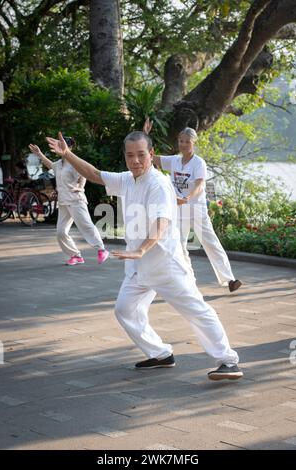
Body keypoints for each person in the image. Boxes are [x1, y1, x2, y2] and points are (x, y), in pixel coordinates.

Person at [45, 131, 243, 381]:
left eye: (141, 155)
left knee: (196, 310)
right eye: (130, 155)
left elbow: (161, 221)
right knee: (125, 310)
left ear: (151, 154)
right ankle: (160, 354)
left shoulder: (158, 184)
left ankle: (228, 361)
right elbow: (94, 175)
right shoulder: (127, 179)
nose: (135, 160)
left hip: (165, 265)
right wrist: (67, 154)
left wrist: (141, 249)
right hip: (138, 267)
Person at [145, 120, 241, 293]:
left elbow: (200, 185)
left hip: (196, 209)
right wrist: (145, 136)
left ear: (193, 143)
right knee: (179, 244)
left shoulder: (198, 163)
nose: (183, 144)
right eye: (181, 141)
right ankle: (189, 280)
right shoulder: (173, 161)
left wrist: (187, 197)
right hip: (179, 211)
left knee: (210, 242)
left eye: (187, 142)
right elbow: (150, 157)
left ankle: (229, 280)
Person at [29, 138, 109, 266]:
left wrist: (81, 186)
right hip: (63, 202)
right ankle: (76, 256)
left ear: (69, 147)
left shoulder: (74, 163)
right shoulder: (59, 164)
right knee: (61, 232)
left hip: (76, 200)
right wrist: (39, 153)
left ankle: (101, 249)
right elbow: (50, 164)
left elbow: (84, 174)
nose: (59, 147)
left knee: (86, 225)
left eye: (62, 145)